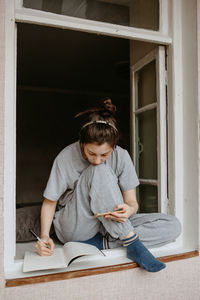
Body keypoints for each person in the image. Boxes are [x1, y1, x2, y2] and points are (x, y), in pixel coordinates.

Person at [35, 98, 181, 272]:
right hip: (76, 227)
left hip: (108, 226)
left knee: (173, 225)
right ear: (82, 143)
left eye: (105, 155)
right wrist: (44, 237)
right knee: (99, 171)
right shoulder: (65, 158)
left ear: (114, 146)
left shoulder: (122, 156)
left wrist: (129, 210)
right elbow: (50, 202)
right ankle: (132, 243)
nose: (97, 160)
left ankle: (106, 243)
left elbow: (132, 202)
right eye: (91, 153)